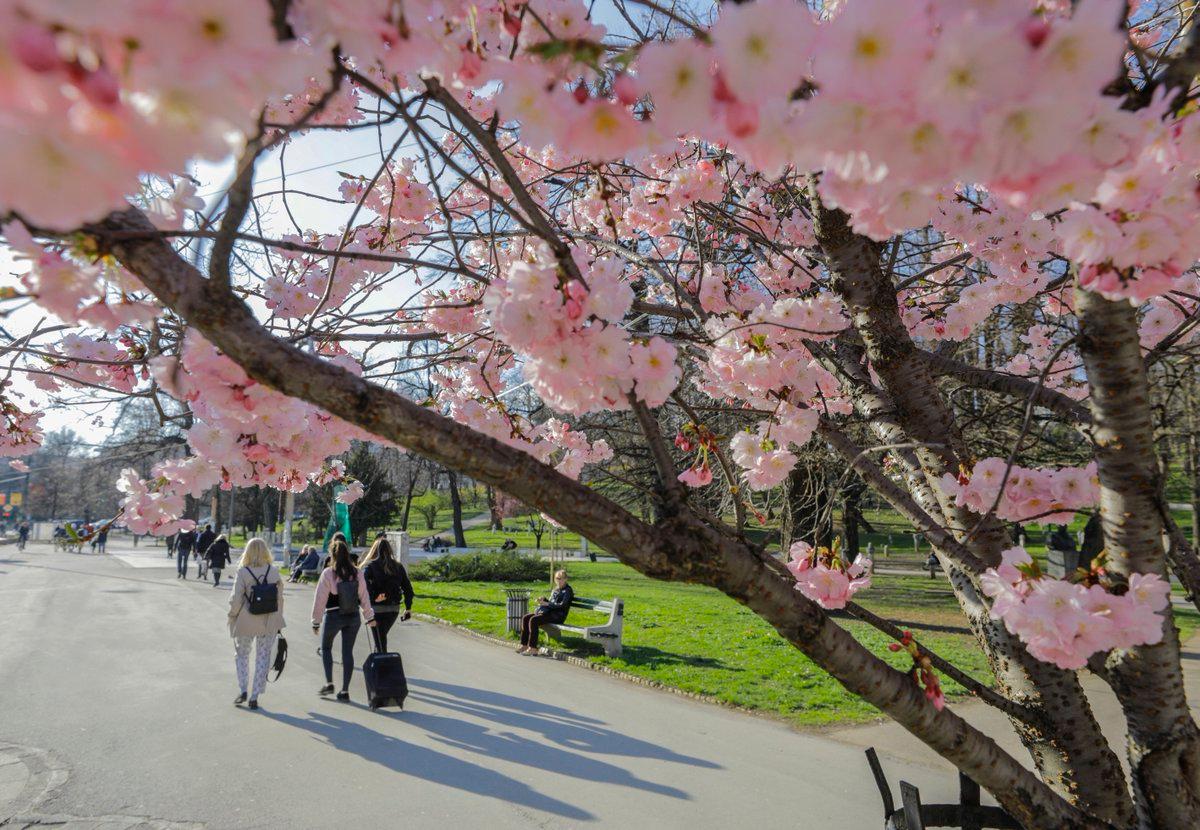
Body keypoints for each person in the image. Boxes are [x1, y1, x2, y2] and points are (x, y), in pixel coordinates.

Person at [310, 540, 375, 701]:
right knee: (347, 652)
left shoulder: (328, 573)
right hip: (352, 616)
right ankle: (345, 690)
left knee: (326, 648)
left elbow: (320, 599)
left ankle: (329, 682)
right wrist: (369, 616)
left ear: (332, 555)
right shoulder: (357, 573)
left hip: (333, 615)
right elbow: (364, 596)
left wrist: (316, 621)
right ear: (347, 554)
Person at [227, 538, 285, 710]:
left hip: (246, 620)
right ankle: (254, 696)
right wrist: (278, 619)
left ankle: (243, 689)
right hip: (268, 621)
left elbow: (236, 599)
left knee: (242, 655)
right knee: (263, 657)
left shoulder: (243, 572)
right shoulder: (274, 572)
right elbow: (279, 599)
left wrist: (232, 615)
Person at [358, 535, 414, 652]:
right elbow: (408, 589)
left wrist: (373, 599)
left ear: (374, 550)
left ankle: (383, 666)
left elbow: (363, 588)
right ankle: (380, 662)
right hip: (393, 609)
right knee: (380, 639)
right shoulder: (398, 567)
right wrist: (408, 608)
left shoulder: (370, 567)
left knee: (380, 642)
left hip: (376, 609)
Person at [517, 570, 573, 655]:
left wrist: (547, 603)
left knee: (533, 620)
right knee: (526, 617)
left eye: (560, 578)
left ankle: (533, 648)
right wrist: (543, 600)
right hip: (549, 613)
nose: (558, 580)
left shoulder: (568, 590)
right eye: (556, 578)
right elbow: (551, 602)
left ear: (566, 579)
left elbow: (562, 605)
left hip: (558, 616)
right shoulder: (556, 589)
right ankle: (524, 645)